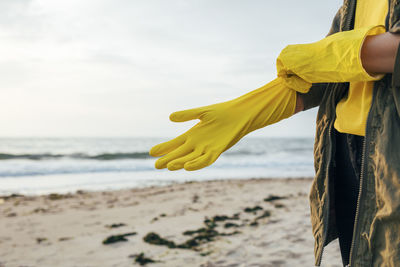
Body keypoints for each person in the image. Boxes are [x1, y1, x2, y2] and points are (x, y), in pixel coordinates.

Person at [150, 0, 400, 266]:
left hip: (392, 153)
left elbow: (337, 59)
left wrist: (325, 55)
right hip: (344, 152)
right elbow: (331, 77)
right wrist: (247, 110)